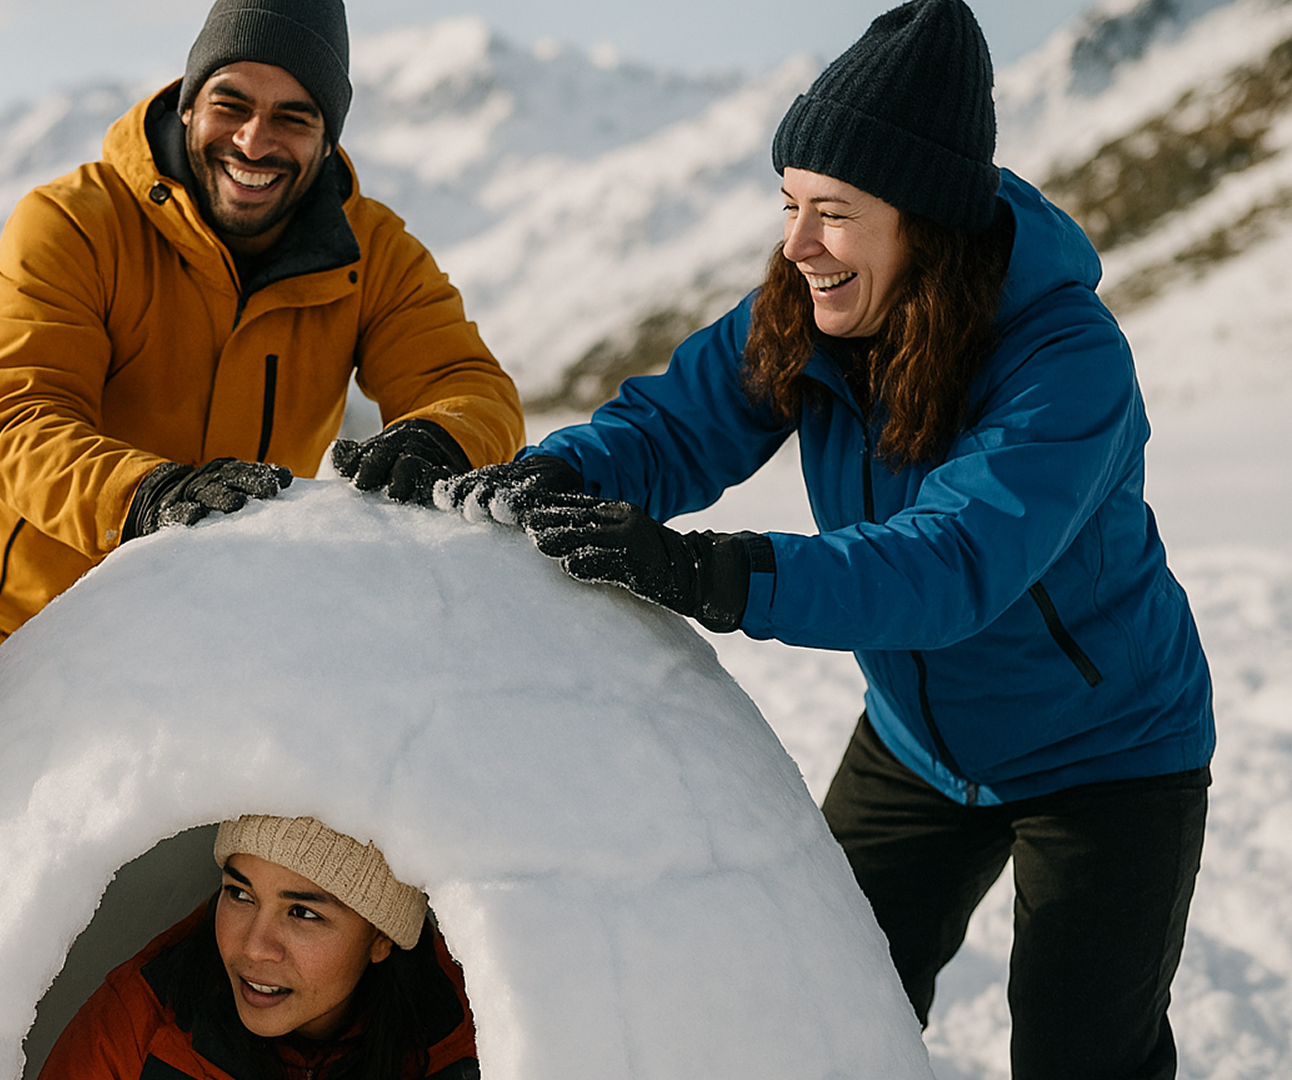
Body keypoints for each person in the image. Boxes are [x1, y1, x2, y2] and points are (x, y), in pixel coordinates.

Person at [439, 2, 1213, 1077]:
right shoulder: (813, 308)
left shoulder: (1066, 361)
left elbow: (949, 565)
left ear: (925, 224)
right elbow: (673, 427)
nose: (798, 245)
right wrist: (556, 474)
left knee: (1080, 1057)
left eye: (835, 214)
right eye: (791, 205)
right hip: (916, 745)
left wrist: (706, 571)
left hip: (1105, 756)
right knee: (815, 1013)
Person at [0, 0, 525, 740]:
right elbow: (21, 425)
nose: (254, 141)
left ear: (328, 139)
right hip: (4, 638)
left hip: (211, 642)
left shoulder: (373, 256)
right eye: (231, 104)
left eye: (294, 117)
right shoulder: (73, 223)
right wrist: (147, 495)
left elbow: (470, 385)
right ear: (188, 102)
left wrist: (443, 436)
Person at [36, 815, 477, 1080]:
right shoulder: (142, 1023)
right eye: (240, 894)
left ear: (381, 937)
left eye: (303, 913)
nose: (254, 947)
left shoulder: (473, 1043)